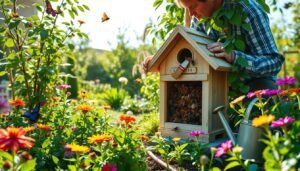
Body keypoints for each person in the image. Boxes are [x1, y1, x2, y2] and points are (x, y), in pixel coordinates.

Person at [143, 0, 284, 91]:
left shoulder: (249, 12)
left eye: (193, 7)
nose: (191, 15)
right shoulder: (200, 20)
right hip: (220, 87)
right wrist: (162, 61)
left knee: (264, 91)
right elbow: (193, 57)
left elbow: (274, 62)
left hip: (254, 87)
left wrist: (235, 57)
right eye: (187, 9)